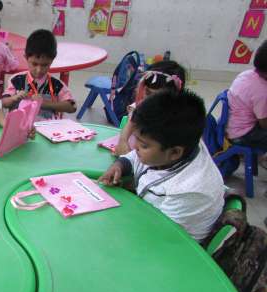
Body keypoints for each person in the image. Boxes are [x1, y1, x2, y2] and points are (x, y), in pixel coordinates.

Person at [99, 90, 225, 241]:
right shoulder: (176, 144)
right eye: (136, 138)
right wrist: (121, 165)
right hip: (151, 221)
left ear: (174, 153)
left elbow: (159, 234)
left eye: (144, 145)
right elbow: (135, 157)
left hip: (172, 246)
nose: (135, 147)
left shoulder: (189, 191)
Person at [114, 60, 186, 156]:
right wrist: (123, 142)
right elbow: (130, 125)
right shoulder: (141, 106)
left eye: (158, 97)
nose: (150, 100)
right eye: (148, 92)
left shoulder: (177, 120)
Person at [2, 29, 76, 120]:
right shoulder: (16, 80)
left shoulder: (57, 85)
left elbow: (72, 107)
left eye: (45, 65)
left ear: (52, 60)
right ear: (26, 57)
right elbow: (4, 103)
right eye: (34, 64)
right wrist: (14, 98)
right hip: (20, 130)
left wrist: (44, 103)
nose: (39, 70)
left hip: (47, 130)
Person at [226, 40, 267, 151]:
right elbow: (264, 124)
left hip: (231, 127)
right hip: (243, 135)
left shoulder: (246, 74)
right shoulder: (262, 92)